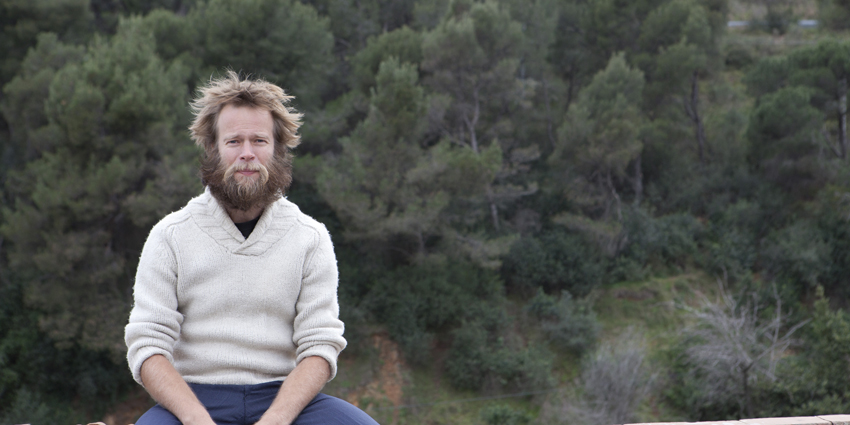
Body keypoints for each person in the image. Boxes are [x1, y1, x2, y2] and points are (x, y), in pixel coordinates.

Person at [124, 71, 378, 425]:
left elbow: (320, 345)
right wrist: (195, 419)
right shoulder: (169, 236)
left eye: (259, 140)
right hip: (192, 400)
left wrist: (277, 419)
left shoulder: (310, 237)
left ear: (278, 149)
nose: (247, 154)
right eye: (233, 142)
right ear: (212, 148)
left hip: (286, 399)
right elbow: (147, 346)